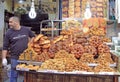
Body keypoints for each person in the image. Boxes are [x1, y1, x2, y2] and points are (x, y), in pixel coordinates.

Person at [2, 16, 35, 82]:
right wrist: (4, 58)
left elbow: (33, 36)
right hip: (15, 57)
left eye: (11, 22)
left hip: (26, 57)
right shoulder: (8, 33)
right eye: (9, 22)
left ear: (16, 22)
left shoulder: (26, 29)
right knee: (13, 75)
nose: (9, 24)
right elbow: (5, 46)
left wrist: (30, 44)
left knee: (27, 75)